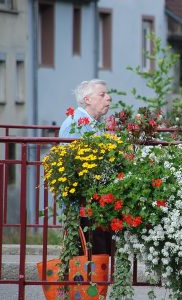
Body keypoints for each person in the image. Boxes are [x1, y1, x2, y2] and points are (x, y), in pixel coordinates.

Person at [59, 79, 113, 255]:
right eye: (102, 94)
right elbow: (70, 168)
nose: (108, 98)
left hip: (96, 202)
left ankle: (94, 282)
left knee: (99, 253)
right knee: (86, 255)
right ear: (87, 99)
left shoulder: (95, 124)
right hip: (82, 205)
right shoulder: (75, 124)